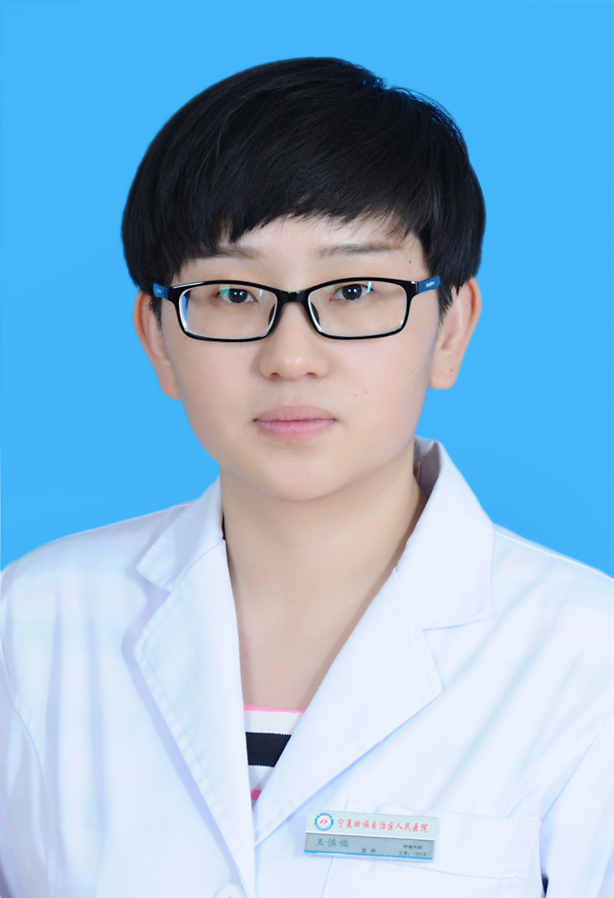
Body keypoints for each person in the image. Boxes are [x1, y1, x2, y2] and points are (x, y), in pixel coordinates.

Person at [0, 57, 612, 898]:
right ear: (158, 337)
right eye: (232, 293)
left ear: (450, 329)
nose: (291, 357)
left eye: (355, 289)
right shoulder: (31, 627)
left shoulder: (588, 658)